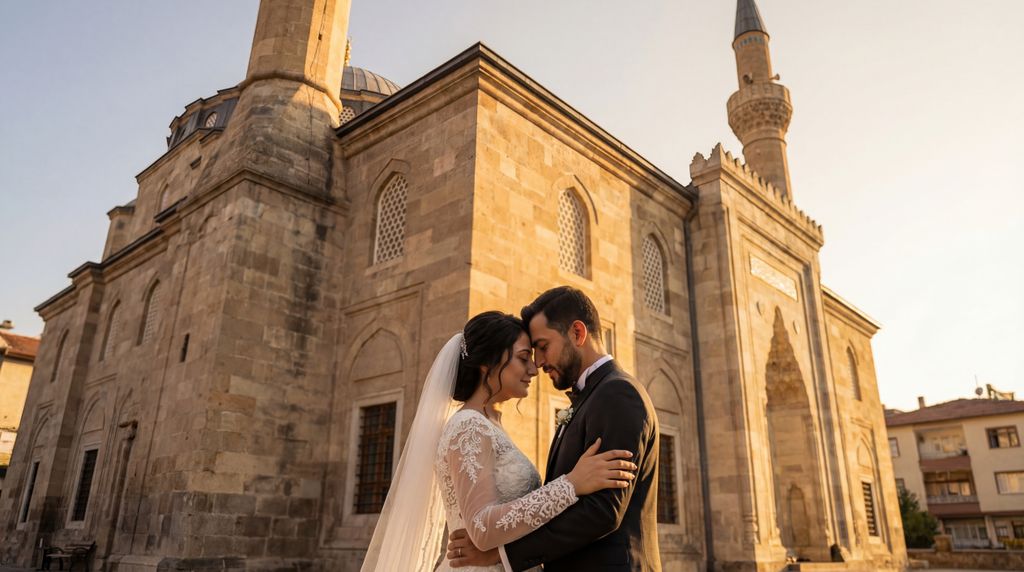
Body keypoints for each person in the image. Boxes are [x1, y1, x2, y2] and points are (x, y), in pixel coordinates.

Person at [360, 310, 637, 572]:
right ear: (487, 364)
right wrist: (572, 484)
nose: (534, 368)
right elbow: (481, 527)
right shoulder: (468, 426)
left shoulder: (489, 424)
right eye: (523, 358)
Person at [447, 287, 662, 571]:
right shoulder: (590, 396)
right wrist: (571, 483)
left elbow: (603, 510)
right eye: (527, 355)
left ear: (577, 333)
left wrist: (502, 555)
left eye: (543, 346)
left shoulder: (618, 393)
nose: (538, 363)